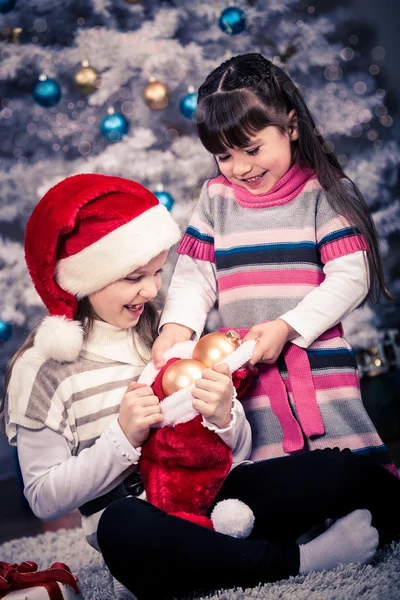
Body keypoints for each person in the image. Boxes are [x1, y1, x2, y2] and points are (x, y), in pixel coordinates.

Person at [2, 173, 400, 600]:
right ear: (84, 279)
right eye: (135, 277)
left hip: (220, 501)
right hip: (152, 536)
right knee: (122, 523)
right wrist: (122, 440)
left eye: (157, 272)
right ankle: (302, 561)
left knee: (339, 470)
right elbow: (43, 499)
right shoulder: (42, 369)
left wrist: (224, 416)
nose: (153, 289)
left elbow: (234, 452)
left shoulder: (162, 334)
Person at [151, 53, 398, 474]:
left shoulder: (325, 194)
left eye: (251, 149)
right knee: (266, 470)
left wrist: (287, 327)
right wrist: (177, 328)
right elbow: (195, 278)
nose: (240, 167)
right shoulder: (216, 200)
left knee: (343, 466)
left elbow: (350, 278)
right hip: (244, 370)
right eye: (224, 157)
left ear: (291, 126)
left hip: (315, 366)